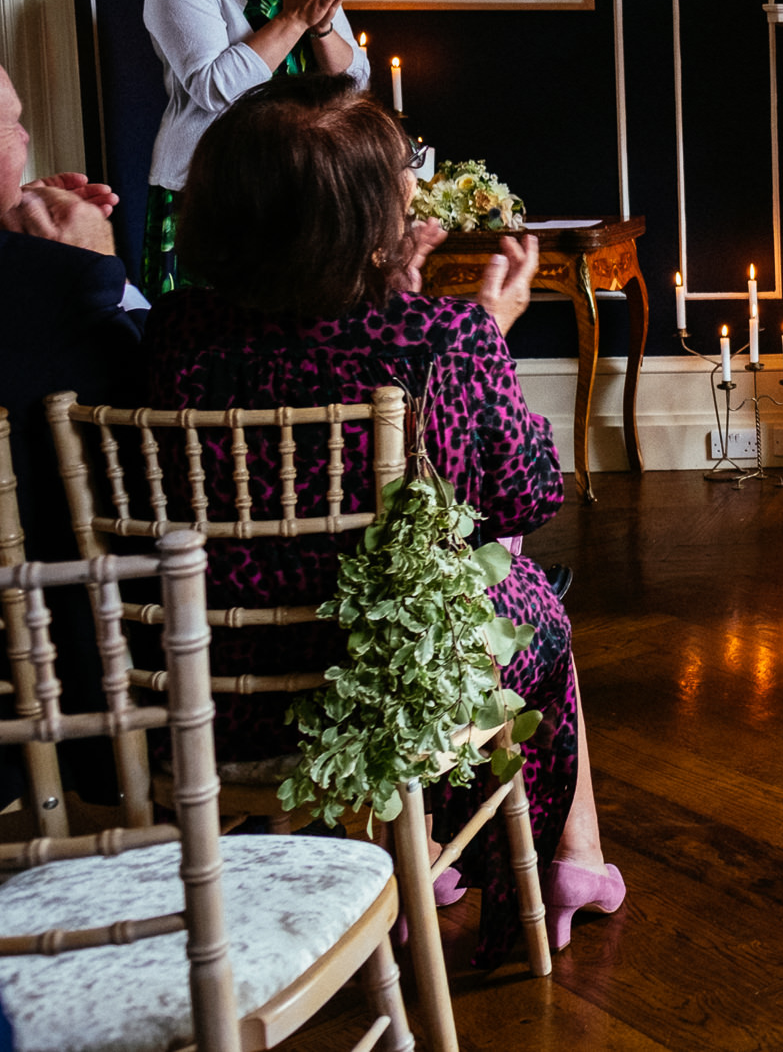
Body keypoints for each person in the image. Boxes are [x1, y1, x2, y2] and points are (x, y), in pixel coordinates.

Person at [141, 74, 620, 963]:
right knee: (527, 604)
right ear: (363, 223)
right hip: (383, 686)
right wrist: (480, 327)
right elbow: (523, 495)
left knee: (495, 584)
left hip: (210, 685)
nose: (411, 191)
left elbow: (296, 324)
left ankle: (417, 862)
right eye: (398, 180)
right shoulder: (442, 337)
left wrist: (387, 288)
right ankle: (520, 879)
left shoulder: (174, 333)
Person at [0, 59, 141, 806]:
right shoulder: (59, 289)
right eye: (13, 122)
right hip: (90, 672)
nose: (27, 138)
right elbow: (154, 399)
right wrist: (91, 262)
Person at [140, 0, 370, 296]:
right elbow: (214, 87)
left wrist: (321, 27)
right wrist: (296, 19)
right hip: (208, 189)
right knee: (202, 337)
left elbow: (355, 85)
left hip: (300, 187)